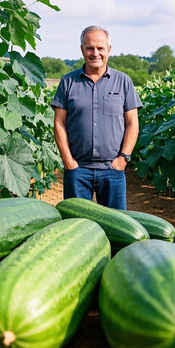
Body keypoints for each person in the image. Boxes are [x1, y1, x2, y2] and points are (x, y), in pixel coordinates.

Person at [51, 25, 142, 210]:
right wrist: (68, 161)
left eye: (100, 48)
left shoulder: (123, 81)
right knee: (76, 225)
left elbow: (132, 123)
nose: (95, 53)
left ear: (109, 49)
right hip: (78, 169)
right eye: (90, 48)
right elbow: (59, 122)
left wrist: (123, 158)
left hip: (112, 169)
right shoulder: (68, 82)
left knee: (117, 227)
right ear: (82, 50)